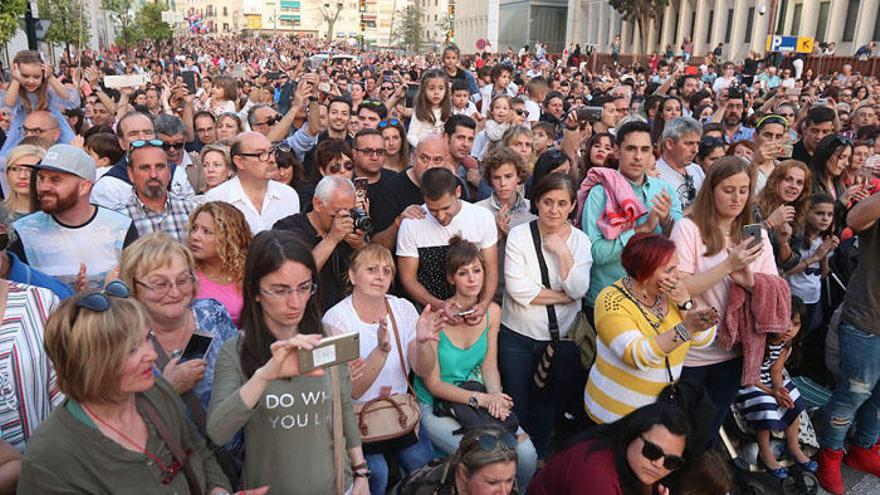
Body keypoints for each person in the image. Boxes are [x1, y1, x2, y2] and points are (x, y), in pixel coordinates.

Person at [18, 283, 244, 494]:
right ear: (90, 362)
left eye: (148, 339)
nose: (153, 354)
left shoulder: (159, 393)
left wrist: (218, 489)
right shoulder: (49, 459)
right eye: (133, 349)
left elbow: (199, 452)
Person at [207, 230, 369, 494]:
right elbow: (218, 432)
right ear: (255, 291)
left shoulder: (326, 338)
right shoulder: (236, 351)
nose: (295, 302)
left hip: (337, 485)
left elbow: (344, 407)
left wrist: (361, 472)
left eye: (304, 288)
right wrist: (264, 375)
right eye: (280, 290)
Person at [413, 236, 538, 488]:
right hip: (437, 403)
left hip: (478, 395)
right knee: (485, 459)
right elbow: (434, 384)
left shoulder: (491, 311)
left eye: (477, 270)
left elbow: (489, 366)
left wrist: (495, 396)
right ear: (451, 278)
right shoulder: (437, 318)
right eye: (463, 272)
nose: (472, 279)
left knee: (526, 455)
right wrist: (482, 400)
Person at [671, 156, 778, 442]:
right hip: (691, 353)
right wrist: (728, 266)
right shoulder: (689, 229)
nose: (737, 198)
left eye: (743, 190)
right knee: (676, 429)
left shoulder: (757, 237)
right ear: (711, 189)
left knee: (706, 431)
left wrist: (750, 281)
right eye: (728, 190)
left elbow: (775, 291)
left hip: (733, 351)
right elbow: (678, 288)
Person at [322, 244, 441, 495]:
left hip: (399, 411)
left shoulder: (403, 309)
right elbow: (352, 390)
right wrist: (381, 351)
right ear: (353, 276)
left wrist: (424, 344)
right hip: (357, 418)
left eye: (387, 271)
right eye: (372, 269)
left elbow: (422, 369)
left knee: (426, 472)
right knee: (377, 475)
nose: (381, 276)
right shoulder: (335, 320)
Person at [500, 173, 592, 459]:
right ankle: (515, 461)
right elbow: (518, 290)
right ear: (537, 202)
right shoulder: (519, 235)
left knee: (549, 404)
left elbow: (580, 287)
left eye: (562, 203)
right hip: (519, 336)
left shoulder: (580, 241)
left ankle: (537, 456)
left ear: (572, 205)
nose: (554, 209)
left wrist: (563, 252)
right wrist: (565, 295)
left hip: (560, 339)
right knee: (517, 401)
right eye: (548, 202)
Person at [585, 233, 718, 424]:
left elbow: (703, 340)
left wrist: (685, 303)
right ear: (644, 274)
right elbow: (637, 354)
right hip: (612, 417)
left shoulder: (671, 295)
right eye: (669, 270)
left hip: (656, 416)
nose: (677, 275)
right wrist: (685, 329)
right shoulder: (611, 300)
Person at [583, 121, 682, 321]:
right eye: (631, 149)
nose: (638, 157)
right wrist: (641, 230)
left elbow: (681, 247)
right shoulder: (600, 193)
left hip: (657, 301)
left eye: (645, 150)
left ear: (652, 153)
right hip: (610, 301)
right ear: (617, 152)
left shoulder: (664, 190)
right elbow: (596, 254)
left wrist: (666, 223)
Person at [816, 189, 880, 494]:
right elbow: (854, 219)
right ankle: (830, 455)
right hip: (867, 318)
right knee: (853, 394)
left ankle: (864, 450)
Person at [10, 144, 138, 290]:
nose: (44, 187)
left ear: (84, 186)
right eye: (41, 178)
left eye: (55, 180)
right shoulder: (23, 231)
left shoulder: (120, 227)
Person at [397, 168, 498, 316]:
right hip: (430, 314)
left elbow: (491, 269)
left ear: (457, 192)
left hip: (474, 311)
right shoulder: (411, 224)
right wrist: (439, 305)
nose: (441, 216)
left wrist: (483, 304)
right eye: (433, 210)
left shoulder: (482, 217)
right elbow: (408, 279)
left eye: (446, 208)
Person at [528, 403, 689, 495]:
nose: (659, 464)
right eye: (652, 451)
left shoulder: (625, 459)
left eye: (671, 462)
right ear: (632, 434)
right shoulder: (596, 477)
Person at [273, 175, 366, 312]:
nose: (344, 217)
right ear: (317, 204)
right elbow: (296, 275)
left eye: (350, 212)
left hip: (343, 316)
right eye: (337, 212)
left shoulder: (350, 228)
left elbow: (374, 267)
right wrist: (332, 239)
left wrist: (360, 246)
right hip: (303, 315)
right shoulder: (287, 228)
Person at [204, 132, 300, 234]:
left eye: (272, 152)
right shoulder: (216, 199)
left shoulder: (288, 195)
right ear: (239, 161)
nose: (272, 159)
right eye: (261, 154)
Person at [476, 148, 535, 303]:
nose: (503, 183)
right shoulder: (478, 212)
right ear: (489, 180)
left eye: (508, 176)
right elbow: (470, 260)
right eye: (497, 178)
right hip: (488, 296)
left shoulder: (533, 211)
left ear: (519, 177)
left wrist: (512, 237)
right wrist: (496, 236)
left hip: (526, 295)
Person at [391, 425, 518, 495]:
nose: (503, 492)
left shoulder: (502, 475)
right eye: (492, 483)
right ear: (463, 474)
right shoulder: (428, 489)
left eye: (509, 480)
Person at [189, 201, 252, 326]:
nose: (195, 236)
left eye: (206, 231)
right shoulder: (186, 274)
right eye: (194, 228)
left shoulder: (248, 275)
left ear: (229, 238)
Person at [121, 139, 195, 242]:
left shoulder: (192, 211)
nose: (153, 175)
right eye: (145, 168)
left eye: (160, 167)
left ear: (169, 171)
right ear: (131, 174)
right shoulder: (120, 219)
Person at [656, 116, 705, 210]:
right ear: (669, 144)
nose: (696, 150)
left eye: (697, 143)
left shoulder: (696, 169)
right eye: (689, 144)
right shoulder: (656, 176)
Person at [408, 69, 452, 148]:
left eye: (441, 88)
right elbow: (411, 135)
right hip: (423, 153)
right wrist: (423, 148)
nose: (436, 92)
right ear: (424, 91)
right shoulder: (419, 111)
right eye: (431, 88)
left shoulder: (448, 110)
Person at [2, 144, 42, 221]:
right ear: (7, 173)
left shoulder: (57, 215)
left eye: (31, 170)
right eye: (15, 169)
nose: (22, 176)